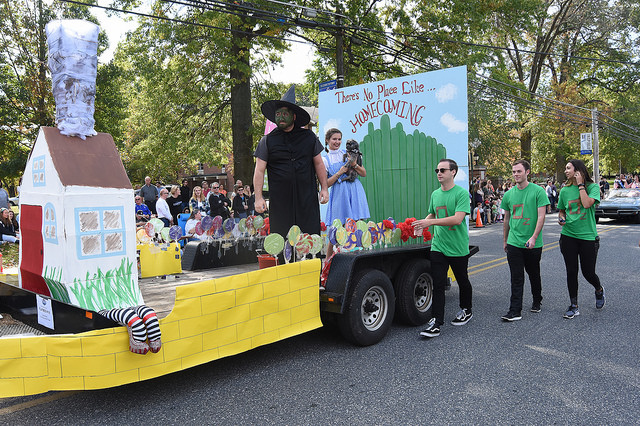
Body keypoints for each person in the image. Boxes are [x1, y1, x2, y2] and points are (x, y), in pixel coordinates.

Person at [413, 159, 472, 338]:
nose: (439, 173)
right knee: (437, 283)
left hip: (458, 246)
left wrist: (430, 222)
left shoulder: (461, 194)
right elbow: (432, 213)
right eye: (437, 170)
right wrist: (422, 224)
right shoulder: (435, 194)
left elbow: (457, 219)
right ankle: (436, 322)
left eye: (443, 170)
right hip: (438, 245)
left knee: (462, 279)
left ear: (453, 172)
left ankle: (466, 309)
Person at [253, 98, 329, 237]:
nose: (280, 117)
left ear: (294, 116)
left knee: (310, 237)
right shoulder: (267, 140)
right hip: (280, 200)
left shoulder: (309, 137)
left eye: (285, 114)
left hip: (307, 197)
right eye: (278, 114)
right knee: (282, 239)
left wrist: (324, 188)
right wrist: (258, 197)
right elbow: (259, 169)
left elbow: (319, 163)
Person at [500, 160, 549, 321]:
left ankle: (537, 299)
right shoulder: (508, 194)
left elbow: (541, 216)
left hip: (533, 242)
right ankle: (515, 310)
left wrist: (534, 237)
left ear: (527, 172)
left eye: (519, 171)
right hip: (514, 242)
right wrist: (505, 240)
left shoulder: (538, 191)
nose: (516, 174)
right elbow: (507, 219)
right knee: (516, 276)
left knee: (533, 273)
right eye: (514, 171)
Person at [557, 159, 605, 319]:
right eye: (565, 168)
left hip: (588, 237)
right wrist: (561, 217)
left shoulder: (593, 188)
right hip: (568, 235)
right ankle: (574, 305)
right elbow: (562, 211)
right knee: (571, 271)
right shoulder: (564, 191)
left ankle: (598, 289)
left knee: (588, 272)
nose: (565, 171)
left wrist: (580, 184)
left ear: (578, 171)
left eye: (568, 168)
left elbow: (586, 204)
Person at [323, 128, 370, 258]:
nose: (337, 142)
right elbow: (326, 183)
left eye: (339, 139)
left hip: (354, 190)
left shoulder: (348, 153)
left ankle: (358, 256)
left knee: (357, 223)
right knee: (337, 226)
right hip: (339, 193)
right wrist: (340, 172)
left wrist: (354, 164)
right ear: (327, 140)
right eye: (334, 139)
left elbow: (363, 173)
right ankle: (328, 260)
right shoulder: (325, 160)